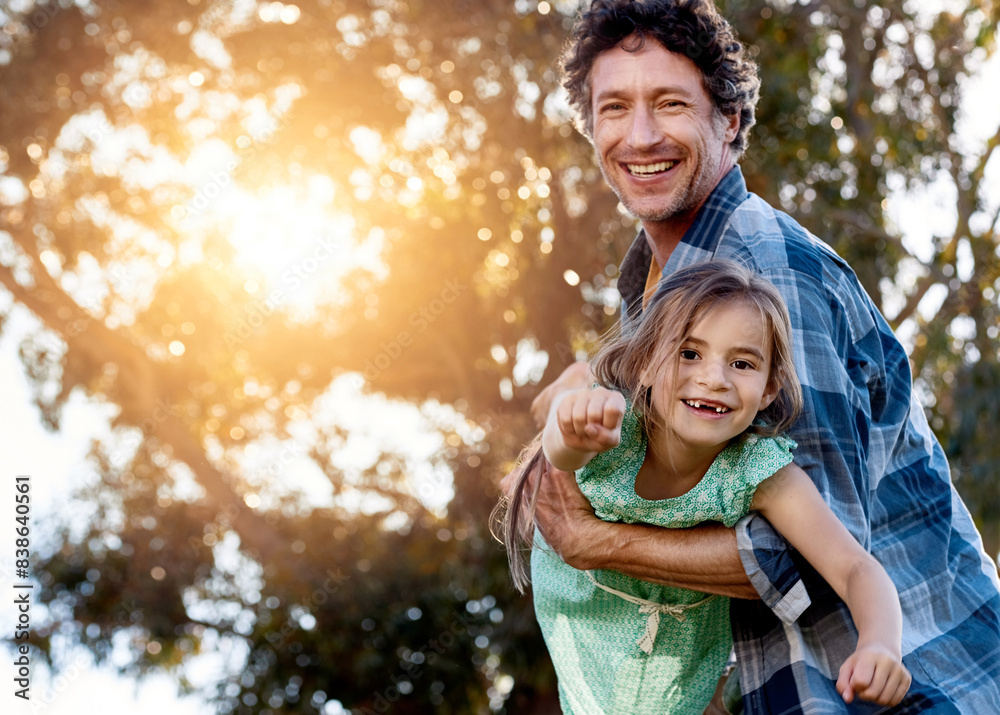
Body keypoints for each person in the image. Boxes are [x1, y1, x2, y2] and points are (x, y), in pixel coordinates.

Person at [508, 0, 1000, 712]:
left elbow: (808, 549)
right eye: (613, 108)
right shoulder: (656, 291)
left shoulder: (763, 270)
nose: (639, 135)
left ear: (730, 120)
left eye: (670, 103)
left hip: (925, 686)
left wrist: (597, 542)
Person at [498, 261, 911, 714]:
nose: (715, 378)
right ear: (647, 364)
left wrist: (882, 644)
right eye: (689, 353)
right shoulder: (616, 423)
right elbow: (564, 459)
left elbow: (855, 567)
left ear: (770, 388)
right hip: (585, 633)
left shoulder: (759, 472)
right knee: (576, 393)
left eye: (741, 363)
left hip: (681, 672)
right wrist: (570, 430)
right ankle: (572, 379)